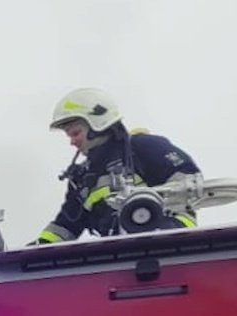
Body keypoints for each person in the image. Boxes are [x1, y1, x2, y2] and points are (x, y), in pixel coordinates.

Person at [36, 88, 202, 244]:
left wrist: (166, 223)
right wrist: (36, 248)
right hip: (121, 253)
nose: (72, 142)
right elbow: (65, 227)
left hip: (173, 242)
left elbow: (190, 183)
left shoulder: (144, 147)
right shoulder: (82, 179)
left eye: (75, 133)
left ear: (97, 123)